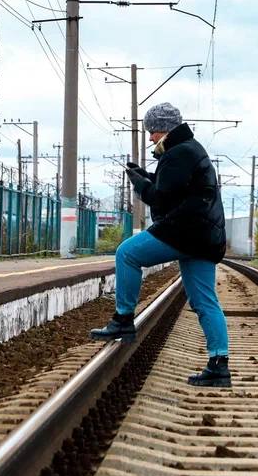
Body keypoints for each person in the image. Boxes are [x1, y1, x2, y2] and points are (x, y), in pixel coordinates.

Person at [89, 102, 231, 387]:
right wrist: (144, 175)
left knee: (127, 253)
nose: (151, 138)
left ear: (164, 129)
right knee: (204, 301)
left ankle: (123, 319)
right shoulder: (189, 150)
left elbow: (161, 198)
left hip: (185, 231)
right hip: (203, 237)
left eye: (152, 131)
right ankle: (219, 365)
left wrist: (139, 185)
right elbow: (171, 185)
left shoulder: (179, 153)